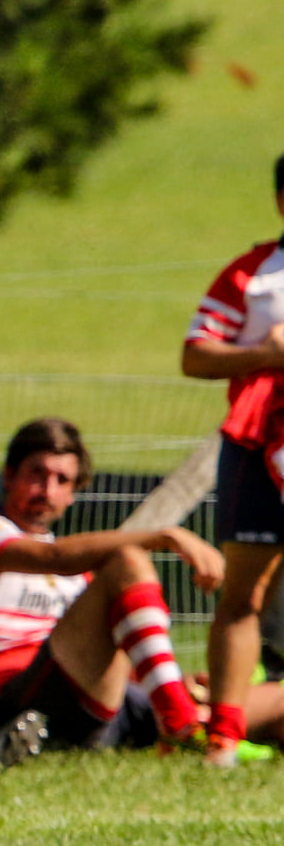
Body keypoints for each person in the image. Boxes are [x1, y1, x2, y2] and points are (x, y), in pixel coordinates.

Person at [0, 418, 222, 759]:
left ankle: (200, 716)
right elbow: (52, 557)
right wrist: (164, 537)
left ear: (73, 493)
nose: (47, 490)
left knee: (249, 702)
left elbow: (102, 653)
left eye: (62, 480)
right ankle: (179, 720)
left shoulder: (79, 578)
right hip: (13, 707)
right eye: (37, 474)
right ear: (9, 475)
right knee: (127, 560)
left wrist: (177, 681)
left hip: (89, 705)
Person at [183, 154, 284, 766]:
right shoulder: (254, 274)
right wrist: (265, 354)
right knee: (244, 595)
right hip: (258, 450)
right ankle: (223, 735)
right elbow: (195, 354)